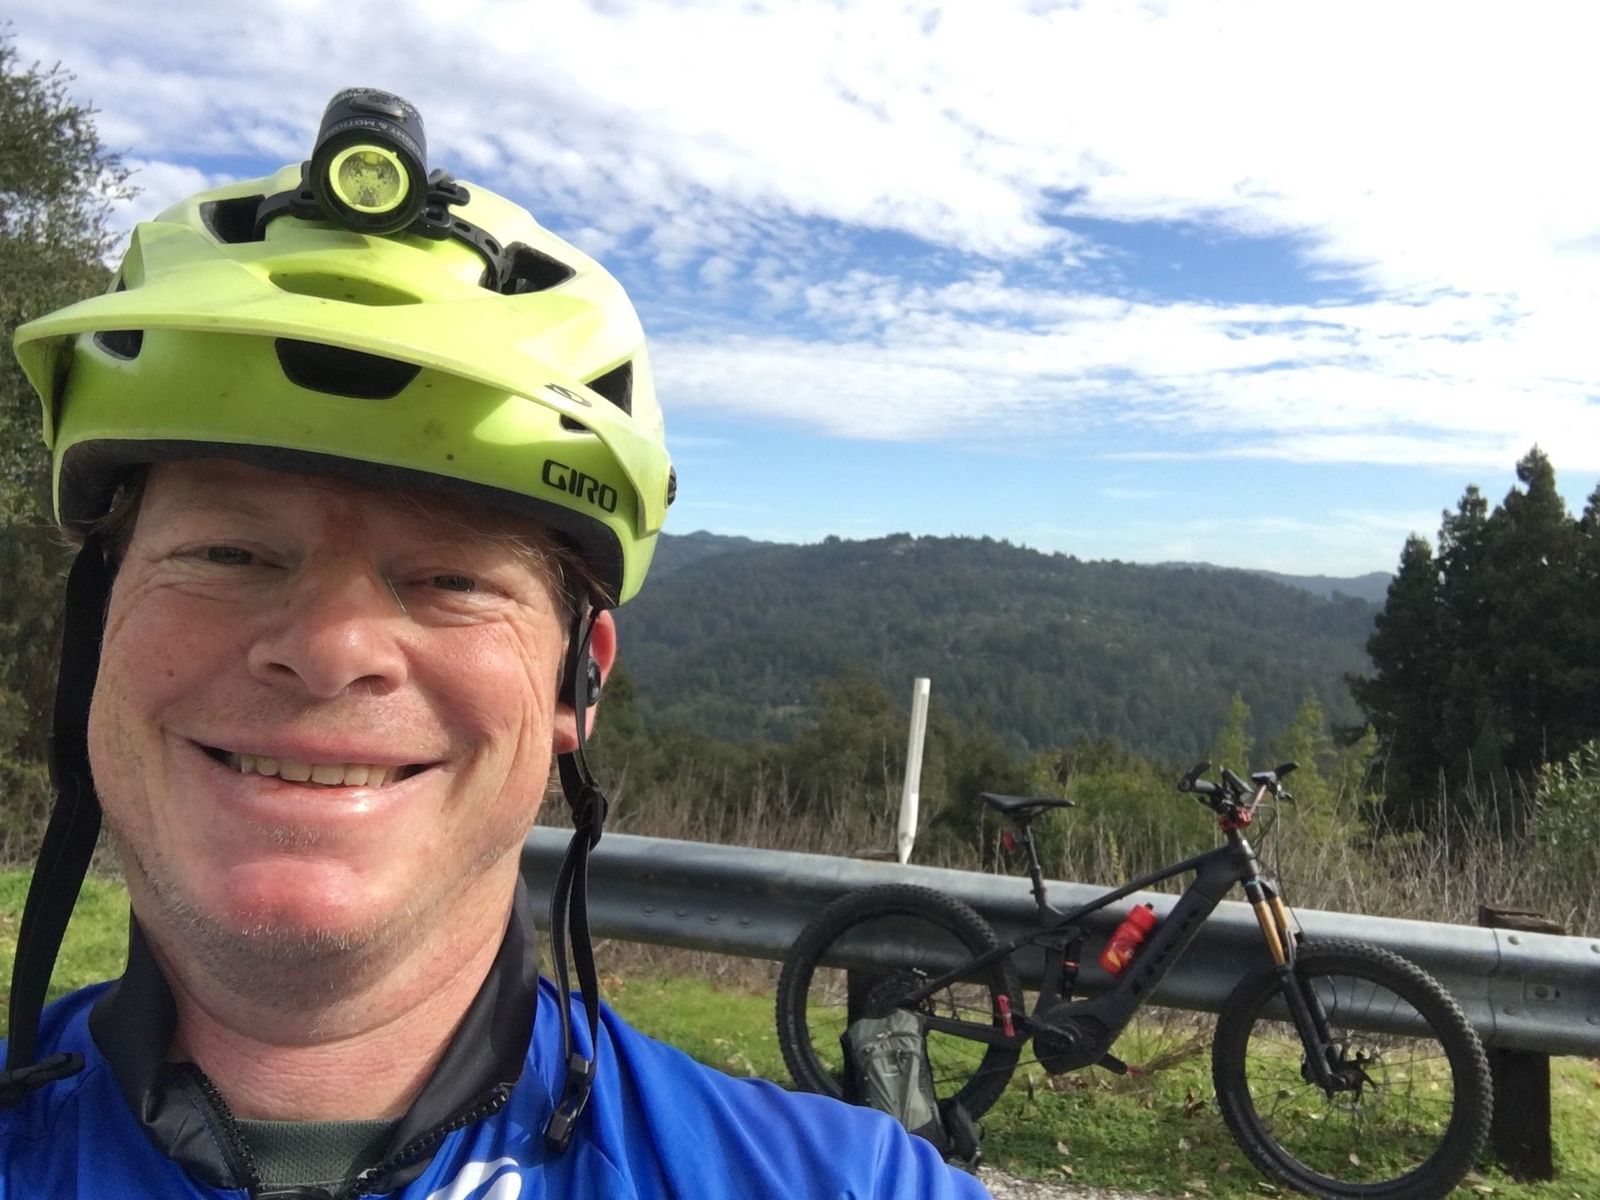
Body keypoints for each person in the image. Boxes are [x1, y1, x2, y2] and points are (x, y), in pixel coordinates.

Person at [0, 89, 991, 1198]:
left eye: (450, 578)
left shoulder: (840, 1185)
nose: (329, 648)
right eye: (228, 553)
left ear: (580, 681)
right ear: (98, 633)